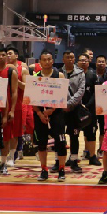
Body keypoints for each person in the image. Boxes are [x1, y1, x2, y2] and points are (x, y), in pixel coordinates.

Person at [32, 49, 69, 182]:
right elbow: (31, 98)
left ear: (52, 61)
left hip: (56, 114)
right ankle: (44, 170)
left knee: (61, 143)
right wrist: (39, 113)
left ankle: (61, 169)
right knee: (41, 144)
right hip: (40, 115)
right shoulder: (35, 77)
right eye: (44, 60)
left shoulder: (59, 76)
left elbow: (63, 96)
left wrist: (52, 109)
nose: (47, 62)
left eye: (49, 59)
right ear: (40, 62)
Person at [0, 48, 19, 174]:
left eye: (4, 55)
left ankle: (3, 162)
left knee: (6, 137)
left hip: (5, 108)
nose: (1, 57)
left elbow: (14, 92)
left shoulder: (10, 71)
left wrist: (12, 110)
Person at [77, 53, 102, 167]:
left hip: (89, 109)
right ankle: (73, 157)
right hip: (75, 108)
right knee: (74, 134)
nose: (83, 62)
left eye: (85, 60)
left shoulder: (93, 75)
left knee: (91, 133)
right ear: (77, 62)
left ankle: (92, 156)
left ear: (88, 62)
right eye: (81, 60)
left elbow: (96, 92)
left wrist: (87, 105)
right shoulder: (74, 75)